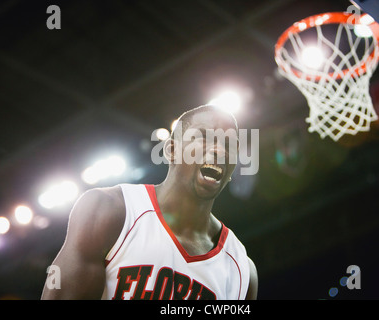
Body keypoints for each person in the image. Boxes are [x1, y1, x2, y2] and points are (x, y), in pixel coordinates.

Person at [41, 105, 258, 300]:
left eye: (229, 144)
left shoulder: (241, 270)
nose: (219, 150)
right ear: (171, 150)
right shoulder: (111, 210)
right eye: (203, 137)